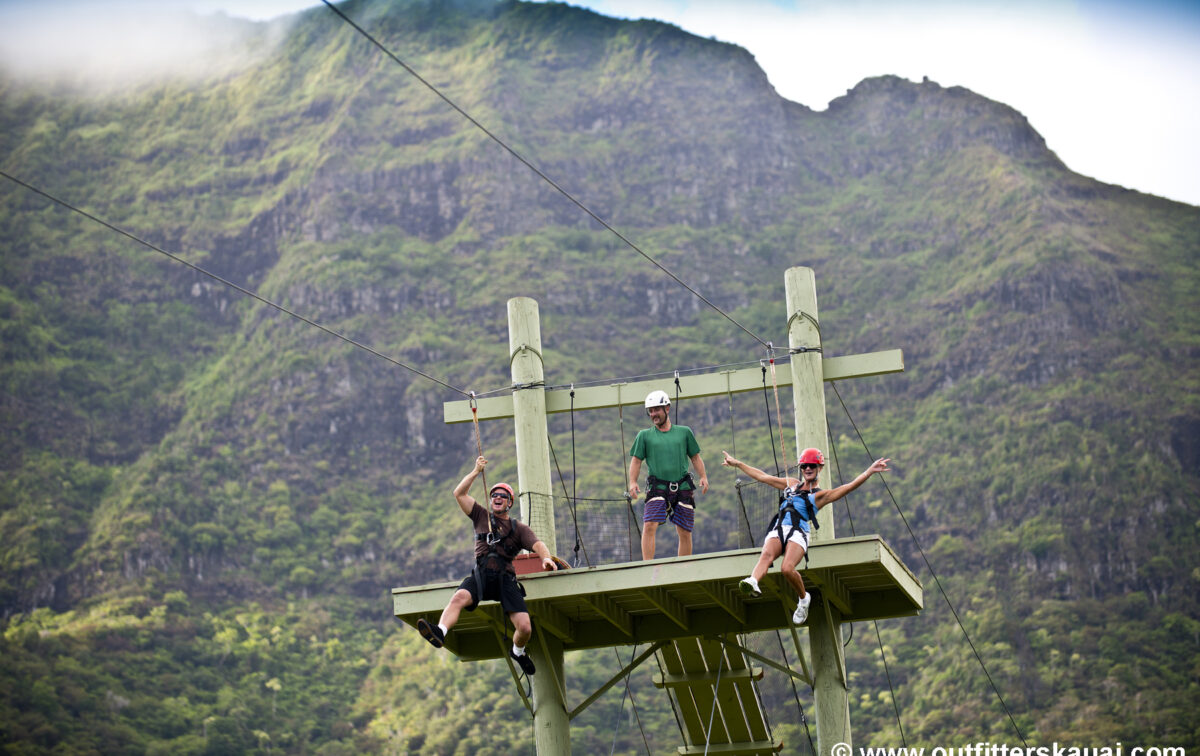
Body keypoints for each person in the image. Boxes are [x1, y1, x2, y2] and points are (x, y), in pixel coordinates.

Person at [416, 455, 557, 675]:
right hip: (482, 574)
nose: (497, 498)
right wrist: (475, 471)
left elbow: (538, 544)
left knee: (525, 627)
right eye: (494, 495)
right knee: (459, 597)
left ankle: (518, 651)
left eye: (503, 496)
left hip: (505, 578)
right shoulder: (481, 516)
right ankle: (441, 632)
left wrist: (546, 558)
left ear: (509, 503)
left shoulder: (518, 528)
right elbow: (459, 494)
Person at [722, 447, 889, 624]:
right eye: (804, 466)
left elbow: (847, 488)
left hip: (798, 532)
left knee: (787, 568)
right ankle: (753, 580)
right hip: (780, 527)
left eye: (811, 466)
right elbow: (764, 477)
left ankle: (803, 599)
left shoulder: (819, 495)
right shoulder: (791, 484)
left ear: (819, 468)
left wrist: (869, 472)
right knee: (766, 555)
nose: (807, 469)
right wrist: (738, 463)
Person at [628, 390, 709, 560]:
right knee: (650, 524)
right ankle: (647, 567)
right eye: (650, 411)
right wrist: (632, 482)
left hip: (682, 485)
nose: (653, 414)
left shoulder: (684, 432)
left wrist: (703, 476)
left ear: (667, 408)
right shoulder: (644, 436)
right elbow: (636, 461)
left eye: (656, 409)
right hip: (657, 486)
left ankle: (683, 568)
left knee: (685, 530)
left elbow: (695, 457)